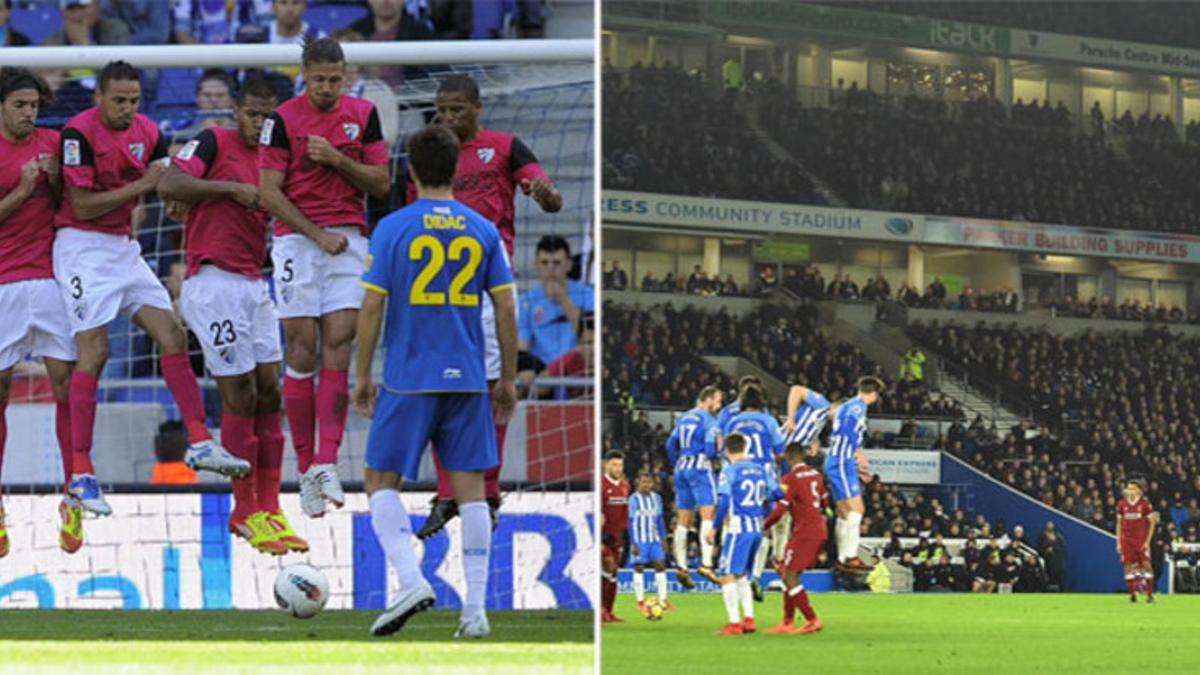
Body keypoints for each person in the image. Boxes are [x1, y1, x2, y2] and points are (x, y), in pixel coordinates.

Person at [55, 61, 248, 517]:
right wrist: (142, 185)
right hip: (80, 249)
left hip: (124, 248)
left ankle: (200, 442)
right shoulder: (76, 134)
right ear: (98, 97)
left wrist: (176, 195)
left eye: (134, 100)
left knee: (173, 334)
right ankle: (81, 473)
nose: (127, 109)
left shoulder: (149, 131)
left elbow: (163, 181)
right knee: (95, 352)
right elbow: (81, 206)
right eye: (118, 100)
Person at [351, 123, 517, 639]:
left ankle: (409, 580)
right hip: (469, 378)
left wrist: (362, 374)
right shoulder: (483, 228)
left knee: (380, 482)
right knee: (471, 492)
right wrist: (507, 378)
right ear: (459, 170)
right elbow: (507, 305)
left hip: (409, 376)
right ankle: (476, 612)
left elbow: (373, 304)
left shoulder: (393, 228)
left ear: (412, 171)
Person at [159, 77, 307, 556]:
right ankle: (243, 511)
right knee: (239, 393)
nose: (260, 124)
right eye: (252, 113)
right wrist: (225, 188)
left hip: (253, 285)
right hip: (213, 282)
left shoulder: (278, 158)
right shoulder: (214, 140)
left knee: (271, 392)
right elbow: (170, 182)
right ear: (237, 112)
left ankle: (269, 507)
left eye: (269, 116)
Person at [417, 73, 563, 539]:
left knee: (491, 385)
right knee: (441, 387)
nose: (448, 118)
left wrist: (546, 194)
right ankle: (445, 493)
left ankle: (490, 488)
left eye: (457, 109)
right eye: (442, 109)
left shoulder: (504, 146)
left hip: (488, 275)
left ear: (478, 108)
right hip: (436, 278)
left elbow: (546, 192)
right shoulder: (428, 152)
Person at [259, 37, 390, 518]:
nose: (329, 88)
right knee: (301, 349)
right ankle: (305, 462)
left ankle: (327, 462)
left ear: (346, 73)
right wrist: (314, 234)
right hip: (298, 240)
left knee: (340, 341)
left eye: (336, 79)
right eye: (320, 80)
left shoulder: (363, 114)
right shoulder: (281, 120)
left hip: (350, 239)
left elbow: (381, 182)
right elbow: (268, 193)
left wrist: (337, 159)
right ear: (304, 74)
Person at [0, 68, 80, 556]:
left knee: (70, 383)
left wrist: (59, 184)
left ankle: (73, 494)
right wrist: (23, 190)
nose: (30, 114)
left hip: (52, 281)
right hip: (3, 283)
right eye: (20, 105)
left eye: (34, 105)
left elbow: (83, 197)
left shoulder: (55, 143)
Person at [705, 433, 782, 635]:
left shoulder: (729, 471)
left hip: (738, 528)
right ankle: (749, 619)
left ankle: (734, 624)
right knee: (741, 575)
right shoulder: (759, 469)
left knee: (726, 574)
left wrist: (714, 527)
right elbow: (778, 493)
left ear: (727, 450)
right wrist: (763, 507)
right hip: (757, 527)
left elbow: (724, 501)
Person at [724, 383, 786, 601]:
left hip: (739, 474)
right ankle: (755, 576)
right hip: (763, 475)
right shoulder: (769, 421)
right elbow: (780, 451)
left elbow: (726, 448)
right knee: (764, 527)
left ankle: (736, 568)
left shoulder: (733, 421)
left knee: (737, 522)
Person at [762, 442, 829, 634]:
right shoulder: (816, 475)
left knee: (789, 576)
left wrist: (764, 525)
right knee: (789, 574)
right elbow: (824, 501)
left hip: (805, 532)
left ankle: (812, 619)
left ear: (789, 458)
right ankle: (787, 621)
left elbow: (781, 508)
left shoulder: (790, 478)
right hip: (819, 528)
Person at [665, 384, 723, 586]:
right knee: (709, 516)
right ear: (708, 399)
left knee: (683, 521)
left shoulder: (684, 417)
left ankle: (681, 567)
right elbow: (709, 450)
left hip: (682, 467)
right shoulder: (709, 420)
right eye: (717, 401)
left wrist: (677, 464)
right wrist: (716, 456)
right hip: (700, 467)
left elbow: (670, 445)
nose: (719, 405)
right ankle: (706, 564)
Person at [826, 376, 884, 572]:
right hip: (842, 461)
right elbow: (848, 430)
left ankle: (842, 557)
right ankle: (850, 555)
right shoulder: (858, 407)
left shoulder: (847, 405)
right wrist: (859, 455)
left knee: (843, 511)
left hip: (838, 460)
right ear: (874, 394)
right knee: (857, 509)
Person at [629, 473, 670, 614]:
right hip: (640, 540)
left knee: (660, 565)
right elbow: (630, 522)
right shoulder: (633, 499)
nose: (646, 485)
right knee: (639, 567)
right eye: (643, 482)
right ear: (638, 484)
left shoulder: (656, 498)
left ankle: (663, 600)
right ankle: (640, 601)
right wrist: (633, 542)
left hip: (654, 539)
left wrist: (663, 539)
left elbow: (659, 520)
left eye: (649, 482)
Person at [1116, 479, 1159, 603]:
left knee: (1146, 566)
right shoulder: (1122, 504)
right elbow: (1119, 523)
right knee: (1128, 567)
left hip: (1140, 541)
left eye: (1133, 489)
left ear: (1139, 491)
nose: (1130, 491)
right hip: (1127, 541)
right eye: (1129, 489)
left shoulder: (1145, 504)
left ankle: (1149, 595)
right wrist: (1118, 542)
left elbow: (1152, 524)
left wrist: (1147, 542)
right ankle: (1132, 595)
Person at [600, 450, 630, 624]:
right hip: (604, 537)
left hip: (618, 538)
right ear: (606, 464)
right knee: (608, 567)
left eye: (620, 465)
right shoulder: (601, 486)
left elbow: (624, 513)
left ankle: (609, 612)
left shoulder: (625, 486)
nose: (618, 468)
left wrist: (626, 536)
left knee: (613, 573)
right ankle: (601, 610)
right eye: (614, 464)